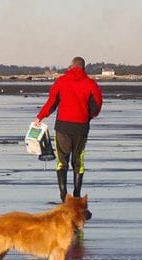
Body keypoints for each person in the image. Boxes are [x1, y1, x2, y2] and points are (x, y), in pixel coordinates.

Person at [34, 56, 103, 202]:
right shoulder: (91, 84)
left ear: (71, 66)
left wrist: (40, 117)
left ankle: (64, 195)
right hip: (81, 127)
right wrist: (88, 116)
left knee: (62, 161)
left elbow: (51, 103)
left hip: (63, 126)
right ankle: (77, 195)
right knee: (79, 161)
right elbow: (97, 106)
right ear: (84, 68)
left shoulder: (61, 81)